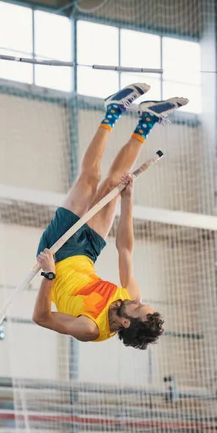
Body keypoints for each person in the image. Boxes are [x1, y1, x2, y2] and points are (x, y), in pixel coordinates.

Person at [33, 83, 188, 349]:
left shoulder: (90, 328)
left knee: (90, 179)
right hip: (88, 254)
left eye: (137, 307)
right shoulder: (129, 296)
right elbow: (125, 249)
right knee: (115, 185)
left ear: (126, 322)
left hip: (59, 252)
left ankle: (112, 112)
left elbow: (42, 317)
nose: (137, 300)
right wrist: (127, 200)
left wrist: (49, 274)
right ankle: (147, 120)